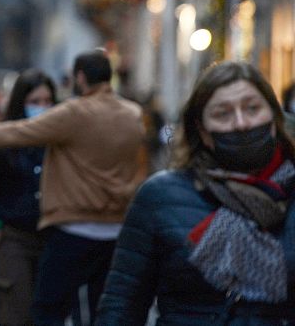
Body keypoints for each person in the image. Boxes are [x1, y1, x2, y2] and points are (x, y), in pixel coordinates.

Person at [0, 50, 145, 326]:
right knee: (99, 309)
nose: (43, 107)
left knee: (47, 309)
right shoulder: (133, 114)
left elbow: (17, 131)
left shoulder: (74, 113)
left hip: (74, 227)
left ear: (80, 77)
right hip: (116, 227)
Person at [97, 61, 295, 325]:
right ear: (203, 132)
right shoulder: (160, 197)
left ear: (273, 119)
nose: (241, 123)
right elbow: (121, 306)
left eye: (252, 108)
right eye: (223, 114)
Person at [0, 69, 57, 326]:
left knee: (48, 314)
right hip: (14, 237)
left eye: (47, 101)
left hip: (53, 237)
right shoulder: (3, 139)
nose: (42, 107)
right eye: (35, 101)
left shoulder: (59, 138)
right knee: (16, 311)